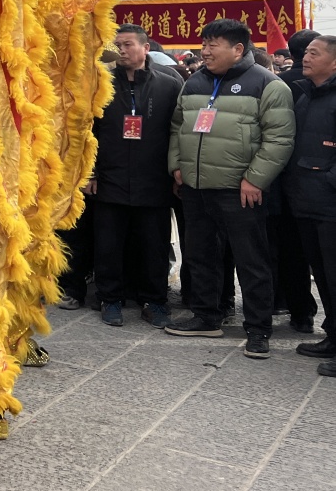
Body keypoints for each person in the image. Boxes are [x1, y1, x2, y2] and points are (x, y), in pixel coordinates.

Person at [166, 19, 295, 359]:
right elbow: (178, 126)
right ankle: (207, 316)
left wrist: (255, 178)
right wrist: (177, 166)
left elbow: (279, 138)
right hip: (196, 187)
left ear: (238, 49)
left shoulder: (268, 85)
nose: (205, 51)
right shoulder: (194, 82)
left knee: (251, 259)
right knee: (200, 254)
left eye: (214, 45)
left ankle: (258, 328)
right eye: (204, 43)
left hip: (240, 189)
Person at [89, 25, 184, 328]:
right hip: (110, 177)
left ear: (145, 49)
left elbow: (177, 132)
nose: (122, 50)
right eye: (117, 45)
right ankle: (110, 298)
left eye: (128, 44)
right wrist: (90, 172)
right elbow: (87, 133)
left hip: (153, 179)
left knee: (154, 244)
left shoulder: (169, 85)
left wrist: (175, 170)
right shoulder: (100, 85)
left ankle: (154, 301)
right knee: (108, 243)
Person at [281, 34, 336, 375]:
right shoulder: (306, 95)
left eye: (315, 53)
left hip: (330, 204)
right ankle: (332, 335)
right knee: (325, 277)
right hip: (306, 202)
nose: (306, 57)